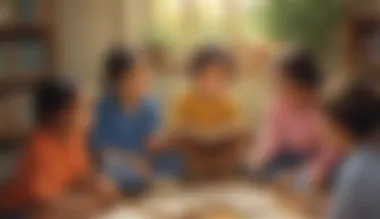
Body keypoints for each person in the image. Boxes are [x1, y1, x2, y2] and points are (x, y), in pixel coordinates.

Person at [0, 77, 115, 219]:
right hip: (18, 215)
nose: (91, 116)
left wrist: (97, 184)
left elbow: (79, 175)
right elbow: (43, 207)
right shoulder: (39, 146)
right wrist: (89, 205)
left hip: (55, 205)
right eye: (84, 108)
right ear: (61, 116)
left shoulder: (73, 136)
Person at [301, 80, 380, 219]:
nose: (320, 127)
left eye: (323, 121)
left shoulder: (357, 170)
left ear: (339, 127)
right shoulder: (365, 155)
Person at [91, 46, 179, 194]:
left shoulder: (150, 106)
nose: (142, 81)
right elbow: (100, 151)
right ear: (117, 80)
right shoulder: (102, 109)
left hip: (145, 160)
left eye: (144, 75)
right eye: (134, 76)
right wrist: (132, 161)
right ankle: (138, 185)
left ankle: (153, 182)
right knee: (110, 167)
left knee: (174, 156)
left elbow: (153, 140)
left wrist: (160, 143)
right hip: (119, 161)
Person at [249, 48, 338, 190]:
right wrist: (259, 158)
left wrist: (314, 171)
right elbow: (270, 140)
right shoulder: (277, 105)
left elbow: (330, 150)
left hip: (315, 161)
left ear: (306, 87)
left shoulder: (322, 110)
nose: (282, 91)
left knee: (334, 172)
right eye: (280, 86)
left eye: (288, 86)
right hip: (286, 160)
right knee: (269, 169)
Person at [169, 44, 247, 179]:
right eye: (206, 77)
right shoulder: (185, 99)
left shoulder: (228, 102)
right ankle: (196, 173)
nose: (212, 83)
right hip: (195, 150)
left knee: (243, 141)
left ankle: (221, 173)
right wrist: (197, 132)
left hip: (219, 149)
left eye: (219, 78)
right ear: (195, 76)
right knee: (176, 143)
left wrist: (216, 133)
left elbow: (237, 127)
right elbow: (176, 128)